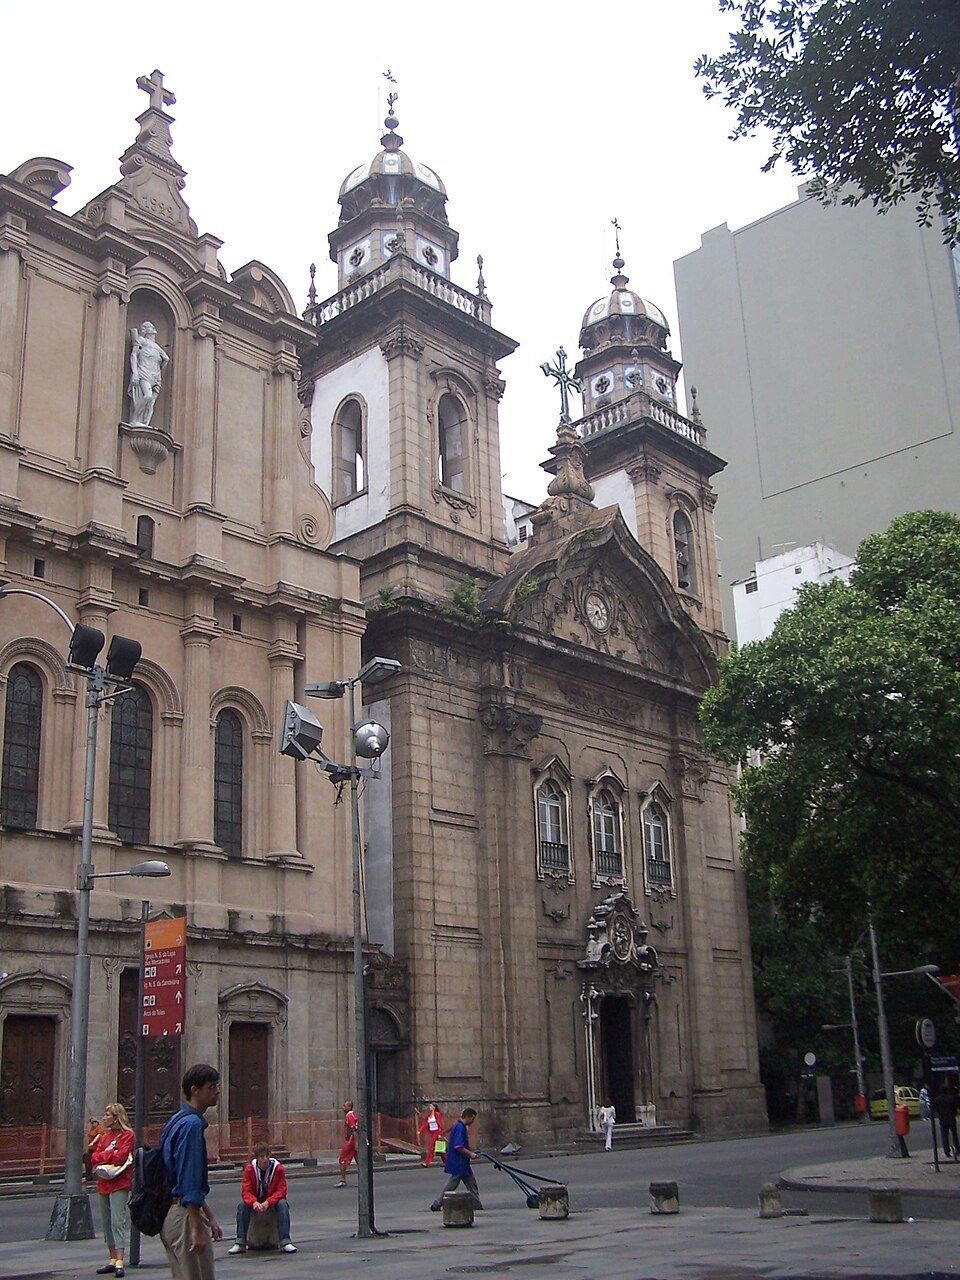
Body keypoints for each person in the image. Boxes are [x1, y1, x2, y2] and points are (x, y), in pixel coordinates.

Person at [159, 1063, 224, 1280]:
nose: (216, 1091)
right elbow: (189, 1178)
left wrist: (210, 1216)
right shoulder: (192, 1126)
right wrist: (197, 1226)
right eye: (211, 1086)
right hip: (185, 1217)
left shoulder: (176, 1120)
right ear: (195, 1090)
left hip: (175, 1212)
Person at [91, 1102, 135, 1277]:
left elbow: (121, 1157)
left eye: (108, 1115)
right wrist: (109, 1155)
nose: (104, 1118)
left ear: (116, 1117)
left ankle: (119, 1260)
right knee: (106, 1221)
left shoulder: (128, 1135)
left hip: (120, 1181)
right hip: (104, 1182)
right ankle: (111, 1258)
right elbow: (94, 1156)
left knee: (118, 1220)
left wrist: (106, 1156)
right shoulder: (104, 1137)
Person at [228, 1142, 296, 1254]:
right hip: (256, 1200)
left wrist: (268, 1202)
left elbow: (281, 1191)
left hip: (271, 1201)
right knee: (242, 1206)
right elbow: (246, 1191)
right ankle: (240, 1242)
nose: (265, 1159)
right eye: (262, 1156)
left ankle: (285, 1241)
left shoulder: (278, 1169)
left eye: (267, 1156)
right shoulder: (250, 1170)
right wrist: (254, 1202)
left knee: (283, 1204)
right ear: (257, 1157)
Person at [430, 1107, 483, 1211]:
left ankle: (476, 1204)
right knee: (452, 1185)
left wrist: (471, 1152)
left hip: (463, 1163)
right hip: (459, 1162)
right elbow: (458, 1146)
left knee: (471, 1184)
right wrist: (470, 1154)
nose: (473, 1122)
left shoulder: (458, 1126)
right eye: (472, 1119)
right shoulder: (460, 1127)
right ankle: (437, 1203)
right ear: (468, 1117)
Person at [127, 321, 170, 427]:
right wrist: (135, 372)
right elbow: (133, 355)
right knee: (147, 396)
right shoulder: (141, 340)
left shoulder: (157, 346)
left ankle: (145, 423)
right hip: (144, 371)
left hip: (155, 375)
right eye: (150, 327)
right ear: (144, 330)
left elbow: (166, 359)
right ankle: (135, 420)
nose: (153, 328)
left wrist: (159, 368)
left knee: (151, 403)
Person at [934, 1083, 959, 1159]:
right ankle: (957, 1149)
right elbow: (955, 1109)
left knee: (944, 1136)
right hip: (951, 1118)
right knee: (954, 1135)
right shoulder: (950, 1099)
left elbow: (935, 1110)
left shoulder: (937, 1099)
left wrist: (940, 1114)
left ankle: (947, 1151)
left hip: (943, 1119)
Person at [336, 1101, 358, 1187]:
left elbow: (354, 1129)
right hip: (352, 1141)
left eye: (344, 1106)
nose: (342, 1107)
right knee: (359, 1160)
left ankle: (342, 1179)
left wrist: (355, 1143)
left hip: (350, 1141)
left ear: (349, 1107)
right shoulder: (351, 1115)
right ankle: (363, 1180)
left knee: (342, 1159)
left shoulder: (350, 1116)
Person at [418, 1103, 444, 1168]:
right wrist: (420, 1130)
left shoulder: (437, 1114)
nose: (429, 1107)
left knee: (430, 1147)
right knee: (440, 1149)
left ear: (434, 1107)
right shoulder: (429, 1115)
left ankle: (426, 1163)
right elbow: (425, 1123)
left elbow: (440, 1124)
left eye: (431, 1106)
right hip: (432, 1133)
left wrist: (440, 1134)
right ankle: (446, 1162)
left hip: (436, 1132)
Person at [85, 1116, 106, 1182]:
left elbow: (99, 1135)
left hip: (97, 1147)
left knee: (96, 1161)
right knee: (88, 1160)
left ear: (97, 1122)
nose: (92, 1124)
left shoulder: (99, 1128)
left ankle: (99, 1176)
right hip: (91, 1148)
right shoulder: (92, 1128)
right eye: (91, 1123)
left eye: (94, 1122)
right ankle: (89, 1176)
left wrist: (93, 1142)